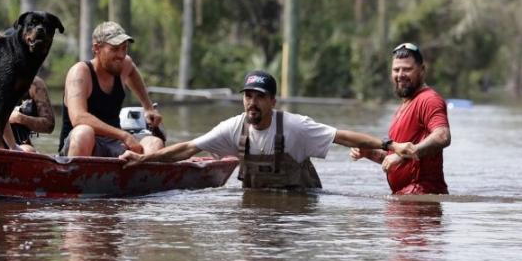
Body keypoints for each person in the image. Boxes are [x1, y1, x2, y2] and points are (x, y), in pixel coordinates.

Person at [120, 70, 413, 190]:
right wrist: (144, 160)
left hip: (300, 208)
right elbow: (188, 149)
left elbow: (342, 136)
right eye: (248, 96)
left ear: (273, 101)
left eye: (260, 97)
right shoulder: (232, 128)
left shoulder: (296, 127)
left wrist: (390, 145)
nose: (253, 103)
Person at [350, 42, 451, 195]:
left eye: (407, 69)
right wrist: (369, 153)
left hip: (422, 198)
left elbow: (442, 136)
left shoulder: (429, 100)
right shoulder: (405, 106)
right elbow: (396, 160)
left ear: (422, 70)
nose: (400, 75)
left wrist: (402, 154)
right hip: (406, 198)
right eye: (396, 70)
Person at [59, 21, 164, 157]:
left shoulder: (124, 63)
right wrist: (124, 135)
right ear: (97, 48)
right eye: (114, 49)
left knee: (155, 143)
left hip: (114, 144)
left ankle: (141, 177)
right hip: (82, 145)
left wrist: (148, 107)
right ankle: (75, 176)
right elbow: (78, 118)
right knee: (84, 132)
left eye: (124, 48)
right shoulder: (80, 72)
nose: (121, 55)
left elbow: (132, 71)